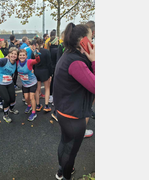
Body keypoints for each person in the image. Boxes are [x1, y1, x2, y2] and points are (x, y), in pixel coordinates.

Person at [53, 23, 95, 180]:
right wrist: (95, 60)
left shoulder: (69, 55)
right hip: (73, 116)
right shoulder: (76, 62)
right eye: (92, 38)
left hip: (65, 111)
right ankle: (66, 176)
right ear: (84, 41)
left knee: (65, 143)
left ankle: (60, 170)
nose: (93, 41)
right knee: (71, 150)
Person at [0, 47, 19, 123]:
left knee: (13, 99)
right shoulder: (4, 60)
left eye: (15, 54)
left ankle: (11, 109)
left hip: (9, 83)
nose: (13, 55)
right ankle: (5, 115)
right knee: (7, 99)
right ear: (9, 54)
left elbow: (15, 74)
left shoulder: (16, 63)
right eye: (12, 53)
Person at [17, 47, 41, 121]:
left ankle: (34, 113)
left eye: (23, 55)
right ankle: (29, 106)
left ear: (26, 56)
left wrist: (37, 55)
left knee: (31, 97)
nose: (22, 56)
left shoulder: (29, 61)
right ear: (18, 56)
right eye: (20, 55)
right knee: (26, 98)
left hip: (32, 82)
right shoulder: (17, 62)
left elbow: (37, 61)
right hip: (25, 84)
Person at [33, 38, 52, 112]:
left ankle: (38, 105)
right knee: (47, 88)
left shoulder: (34, 52)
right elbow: (49, 64)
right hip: (45, 71)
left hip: (37, 71)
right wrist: (50, 74)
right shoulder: (46, 51)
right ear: (43, 43)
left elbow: (33, 63)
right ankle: (46, 105)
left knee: (37, 89)